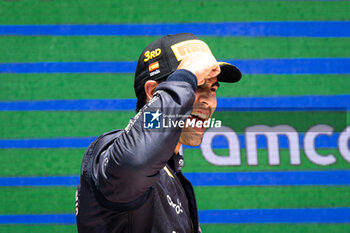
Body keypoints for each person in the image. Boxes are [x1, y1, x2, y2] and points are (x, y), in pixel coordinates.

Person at [75, 33, 241, 233]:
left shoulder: (174, 178)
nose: (209, 101)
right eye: (196, 86)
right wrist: (186, 75)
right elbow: (136, 162)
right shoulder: (111, 153)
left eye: (213, 89)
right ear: (153, 93)